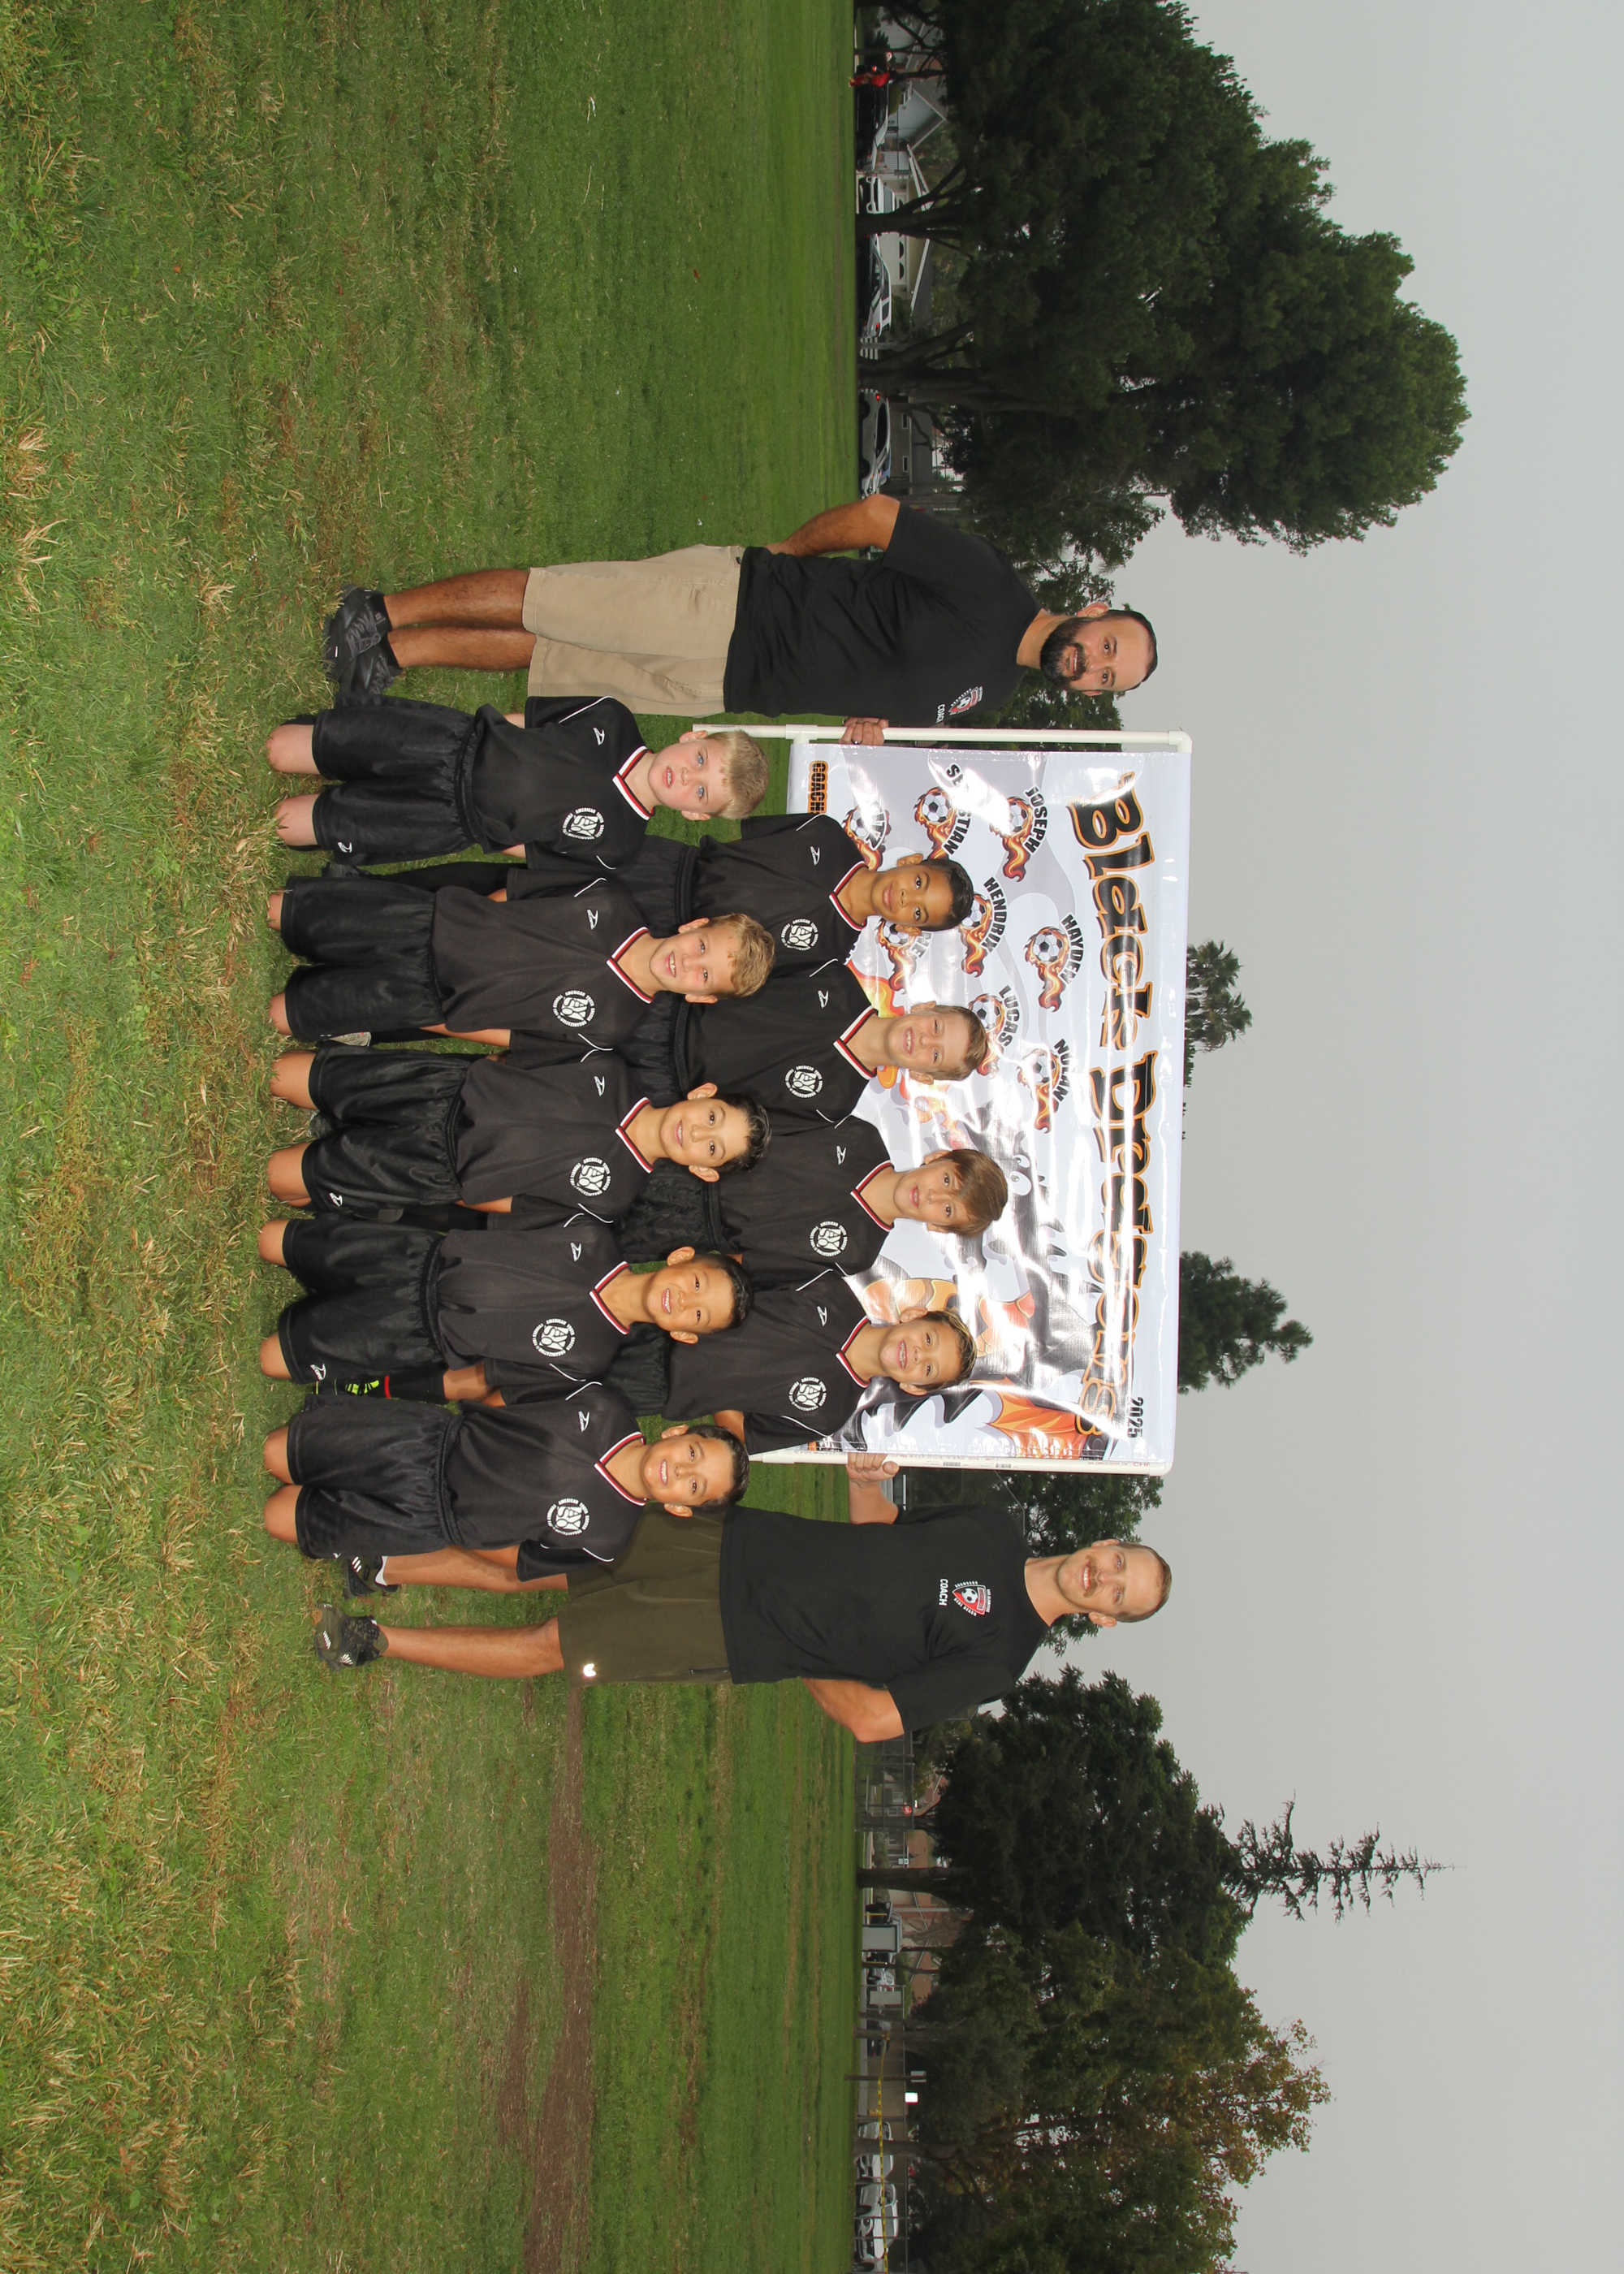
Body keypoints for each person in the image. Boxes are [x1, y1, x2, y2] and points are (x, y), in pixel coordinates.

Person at [308, 1454, 1173, 1739]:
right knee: (548, 1555)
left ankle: (373, 1640)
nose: (1102, 1575)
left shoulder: (999, 1659)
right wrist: (866, 1480)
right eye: (1117, 1560)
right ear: (1106, 1542)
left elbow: (874, 1719)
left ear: (1103, 1617)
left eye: (1117, 1594)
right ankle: (385, 1565)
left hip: (730, 1631)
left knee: (551, 1644)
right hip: (734, 1539)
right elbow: (883, 1535)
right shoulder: (992, 1526)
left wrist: (801, 1649)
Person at [320, 499, 1159, 737]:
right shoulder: (992, 586)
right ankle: (378, 610)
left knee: (552, 657)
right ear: (1092, 612)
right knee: (558, 599)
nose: (1093, 666)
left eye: (1107, 680)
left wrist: (869, 726)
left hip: (728, 687)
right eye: (1107, 646)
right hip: (736, 608)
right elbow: (877, 519)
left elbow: (886, 694)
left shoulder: (992, 698)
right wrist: (788, 554)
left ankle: (397, 655)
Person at [261, 1384, 748, 1599]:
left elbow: (522, 1560)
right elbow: (515, 1396)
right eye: (693, 1453)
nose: (680, 1471)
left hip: (430, 1520)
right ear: (676, 1432)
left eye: (694, 1485)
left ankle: (340, 1515)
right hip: (428, 1443)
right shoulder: (604, 1407)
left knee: (278, 1516)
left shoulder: (609, 1540)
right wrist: (474, 1430)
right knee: (275, 1454)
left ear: (680, 1508)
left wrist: (466, 1530)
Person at [257, 1212, 754, 1406]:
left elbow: (486, 1379)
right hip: (409, 1256)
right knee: (269, 1240)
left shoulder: (590, 1360)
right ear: (681, 1257)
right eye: (697, 1284)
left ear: (684, 1335)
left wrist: (394, 1383)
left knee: (271, 1359)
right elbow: (492, 1214)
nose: (685, 1300)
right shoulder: (593, 1233)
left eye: (697, 1315)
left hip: (411, 1334)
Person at [264, 867, 774, 1048]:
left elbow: (511, 1037)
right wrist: (474, 926)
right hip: (423, 924)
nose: (688, 963)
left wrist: (440, 1018)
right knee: (281, 913)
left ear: (701, 997)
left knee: (282, 1016)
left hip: (426, 999)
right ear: (694, 927)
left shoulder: (614, 1028)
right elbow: (517, 892)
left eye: (704, 975)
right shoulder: (609, 897)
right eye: (702, 948)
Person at [265, 1044, 769, 1226]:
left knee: (277, 1177)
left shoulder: (615, 1197)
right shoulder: (614, 1069)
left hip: (438, 1166)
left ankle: (335, 1172)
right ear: (703, 1093)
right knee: (279, 1074)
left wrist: (454, 1187)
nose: (696, 1132)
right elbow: (516, 1055)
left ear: (703, 1169)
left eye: (711, 1147)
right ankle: (336, 1114)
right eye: (712, 1117)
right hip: (442, 1091)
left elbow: (515, 1204)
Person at [266, 695, 767, 867]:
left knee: (289, 823)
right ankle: (329, 748)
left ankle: (330, 815)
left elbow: (533, 852)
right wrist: (476, 737)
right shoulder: (612, 718)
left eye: (700, 791)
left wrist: (484, 828)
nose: (687, 776)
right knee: (281, 748)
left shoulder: (620, 845)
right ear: (693, 736)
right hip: (449, 745)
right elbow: (528, 721)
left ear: (694, 813)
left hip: (451, 821)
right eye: (700, 758)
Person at [595, 1275, 977, 1453]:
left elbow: (744, 1434)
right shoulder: (829, 1289)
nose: (919, 1355)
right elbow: (738, 1272)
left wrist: (716, 1386)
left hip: (656, 1390)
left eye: (928, 1369)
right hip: (653, 1325)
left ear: (912, 1387)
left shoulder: (829, 1415)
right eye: (929, 1340)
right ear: (913, 1315)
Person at [615, 1116, 1009, 1286]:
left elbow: (750, 1265)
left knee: (592, 1243)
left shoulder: (857, 1254)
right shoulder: (859, 1137)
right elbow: (762, 1125)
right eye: (946, 1180)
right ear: (938, 1157)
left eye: (946, 1209)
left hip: (684, 1234)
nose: (934, 1195)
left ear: (938, 1226)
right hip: (686, 1165)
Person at [620, 965, 989, 1128]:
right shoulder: (835, 978)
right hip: (666, 1011)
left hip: (663, 1090)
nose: (924, 1040)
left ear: (923, 1076)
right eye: (936, 1027)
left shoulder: (835, 1105)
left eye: (935, 1054)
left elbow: (745, 1126)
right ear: (925, 1007)